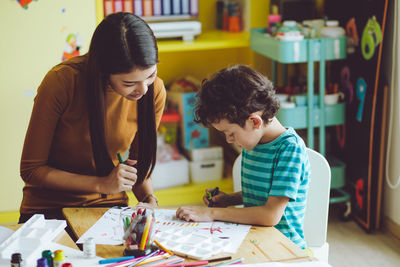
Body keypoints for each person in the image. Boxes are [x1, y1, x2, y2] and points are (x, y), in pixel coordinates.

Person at [19, 12, 166, 223]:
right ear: (104, 72)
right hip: (49, 209)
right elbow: (32, 170)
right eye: (128, 83)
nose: (142, 89)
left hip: (111, 207)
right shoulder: (62, 82)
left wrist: (150, 199)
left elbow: (136, 167)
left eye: (150, 75)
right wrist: (101, 184)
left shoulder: (154, 90)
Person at [176, 65, 310, 249]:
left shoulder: (290, 150)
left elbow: (270, 214)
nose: (229, 140)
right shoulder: (253, 140)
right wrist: (229, 200)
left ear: (255, 121)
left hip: (282, 248)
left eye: (230, 133)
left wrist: (212, 213)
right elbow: (261, 194)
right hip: (252, 239)